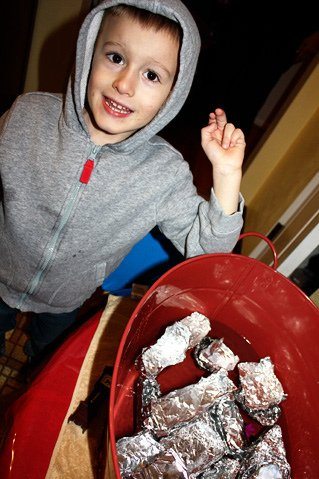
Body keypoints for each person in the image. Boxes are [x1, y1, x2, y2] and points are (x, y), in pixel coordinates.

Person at [0, 0, 245, 359]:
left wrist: (226, 175)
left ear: (172, 95)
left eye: (151, 75)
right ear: (89, 52)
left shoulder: (164, 174)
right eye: (115, 57)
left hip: (65, 299)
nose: (124, 84)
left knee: (46, 359)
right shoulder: (27, 116)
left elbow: (208, 253)